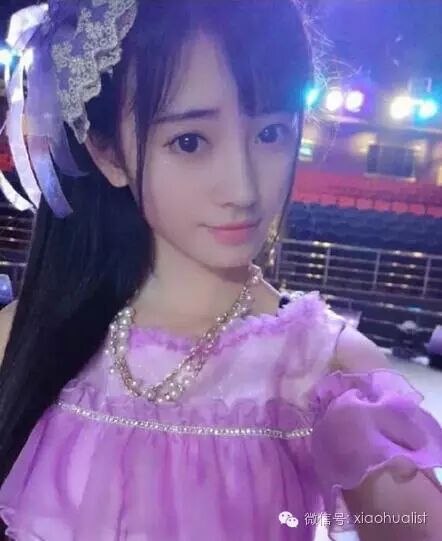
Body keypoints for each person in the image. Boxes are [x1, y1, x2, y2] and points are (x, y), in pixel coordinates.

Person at [0, 1, 441, 540]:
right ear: (108, 153)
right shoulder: (23, 338)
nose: (243, 188)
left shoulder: (325, 369)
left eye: (271, 133)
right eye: (190, 141)